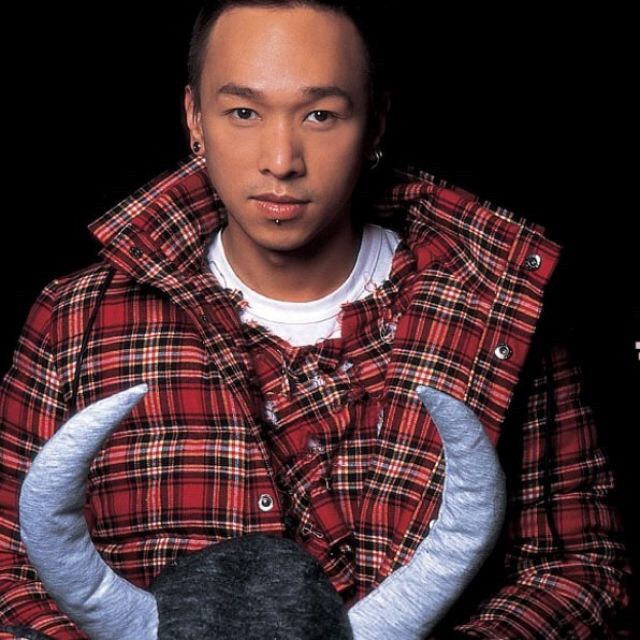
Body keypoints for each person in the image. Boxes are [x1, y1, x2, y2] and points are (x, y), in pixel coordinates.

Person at [0, 1, 632, 638]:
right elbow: (11, 575)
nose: (281, 160)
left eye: (320, 115)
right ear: (194, 117)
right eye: (243, 112)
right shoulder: (74, 320)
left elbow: (579, 572)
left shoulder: (500, 312)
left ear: (375, 123)